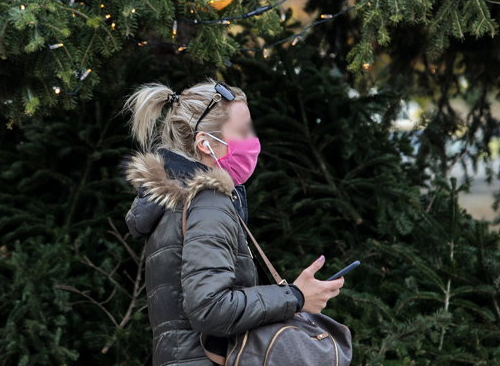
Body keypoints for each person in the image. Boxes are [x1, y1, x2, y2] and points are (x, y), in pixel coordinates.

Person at [121, 78, 346, 366]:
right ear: (205, 143)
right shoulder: (207, 203)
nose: (252, 141)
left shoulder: (176, 203)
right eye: (243, 131)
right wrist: (296, 296)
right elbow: (211, 308)